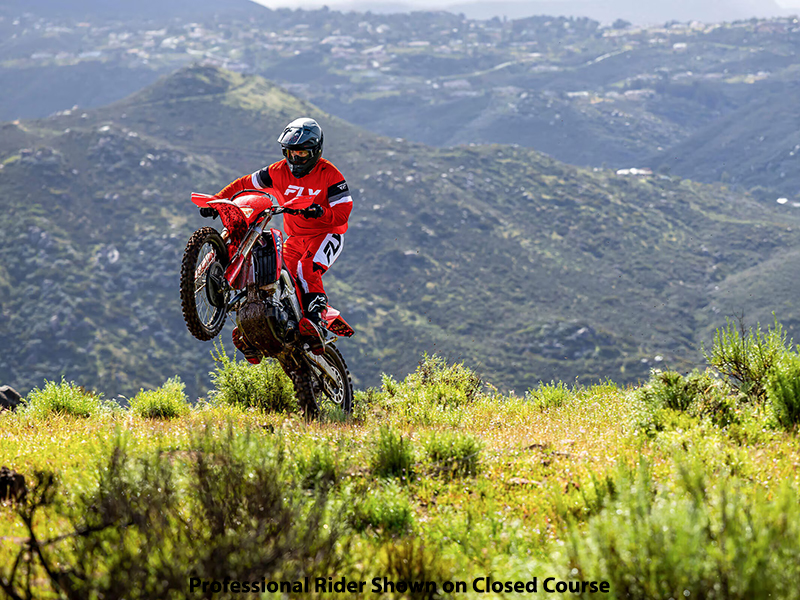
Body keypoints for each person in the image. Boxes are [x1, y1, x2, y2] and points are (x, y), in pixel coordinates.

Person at [201, 117, 353, 361]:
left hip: (327, 234)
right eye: (290, 153)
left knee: (305, 268)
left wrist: (320, 211)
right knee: (275, 276)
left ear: (316, 151)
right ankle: (261, 329)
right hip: (295, 237)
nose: (295, 159)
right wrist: (218, 200)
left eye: (302, 153)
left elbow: (344, 211)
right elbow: (244, 184)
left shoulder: (330, 174)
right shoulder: (277, 171)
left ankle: (316, 318)